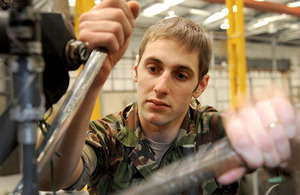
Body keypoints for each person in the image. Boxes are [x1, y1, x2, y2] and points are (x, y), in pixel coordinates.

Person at [39, 0, 300, 194]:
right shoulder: (107, 134)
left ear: (200, 85)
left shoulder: (222, 131)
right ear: (136, 71)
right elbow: (49, 177)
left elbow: (289, 158)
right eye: (153, 69)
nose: (161, 86)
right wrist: (91, 81)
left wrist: (286, 137)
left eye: (181, 75)